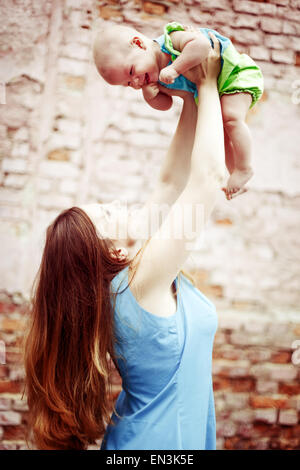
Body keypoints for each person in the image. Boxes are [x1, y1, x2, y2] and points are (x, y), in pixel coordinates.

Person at [23, 34, 225, 450]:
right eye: (110, 214)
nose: (119, 204)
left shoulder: (131, 268)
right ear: (113, 251)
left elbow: (171, 181)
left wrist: (190, 104)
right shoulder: (139, 282)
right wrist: (207, 85)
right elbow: (207, 181)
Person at [94, 21, 264, 200]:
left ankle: (245, 168)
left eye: (131, 71)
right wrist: (151, 97)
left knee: (230, 118)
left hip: (235, 74)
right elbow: (165, 104)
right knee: (222, 134)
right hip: (217, 90)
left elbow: (202, 46)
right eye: (128, 84)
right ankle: (236, 174)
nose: (136, 82)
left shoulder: (170, 40)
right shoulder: (151, 80)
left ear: (139, 44)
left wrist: (175, 68)